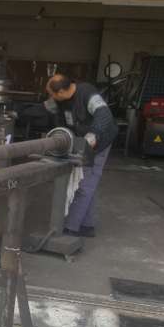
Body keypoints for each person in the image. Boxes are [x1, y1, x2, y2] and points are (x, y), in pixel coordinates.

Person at [43, 73, 118, 238]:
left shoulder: (87, 93)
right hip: (80, 141)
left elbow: (104, 114)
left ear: (61, 91)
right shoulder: (61, 101)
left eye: (52, 94)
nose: (51, 97)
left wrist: (93, 135)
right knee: (87, 183)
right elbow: (61, 120)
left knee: (85, 184)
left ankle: (71, 227)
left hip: (99, 142)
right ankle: (87, 225)